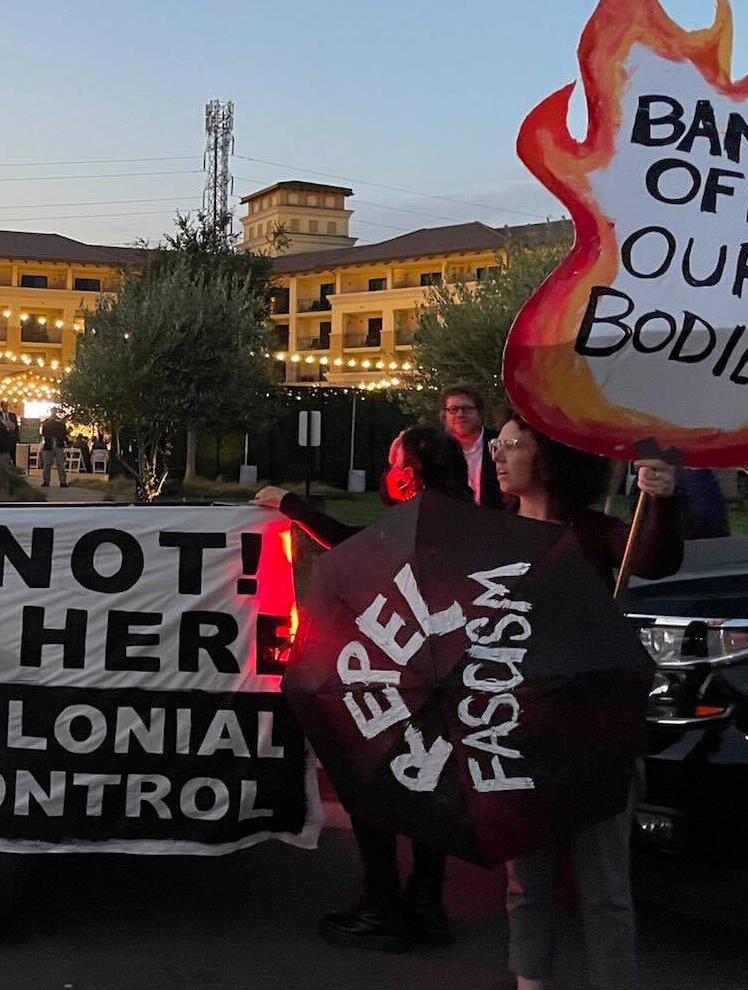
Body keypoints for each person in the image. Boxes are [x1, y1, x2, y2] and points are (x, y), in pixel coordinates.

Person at [254, 425, 472, 952]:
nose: (388, 471)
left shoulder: (426, 516)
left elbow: (359, 549)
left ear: (411, 472)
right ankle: (425, 904)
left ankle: (382, 908)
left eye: (394, 460)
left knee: (371, 782)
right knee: (432, 785)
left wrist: (293, 506)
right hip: (449, 673)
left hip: (405, 670)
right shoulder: (469, 515)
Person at [492, 411, 682, 990]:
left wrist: (664, 499)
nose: (498, 453)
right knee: (526, 885)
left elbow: (655, 559)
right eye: (497, 444)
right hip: (519, 731)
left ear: (547, 458)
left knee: (605, 892)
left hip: (595, 735)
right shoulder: (490, 534)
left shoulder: (596, 535)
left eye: (512, 444)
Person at [440, 383, 502, 508]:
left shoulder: (499, 442)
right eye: (453, 409)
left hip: (496, 519)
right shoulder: (438, 449)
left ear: (480, 413)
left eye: (467, 409)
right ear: (444, 416)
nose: (460, 414)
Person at [39, 407, 69, 488]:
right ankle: (47, 481)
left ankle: (61, 481)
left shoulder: (58, 423)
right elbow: (45, 433)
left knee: (59, 464)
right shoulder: (49, 422)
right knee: (49, 464)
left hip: (55, 444)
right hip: (51, 445)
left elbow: (63, 433)